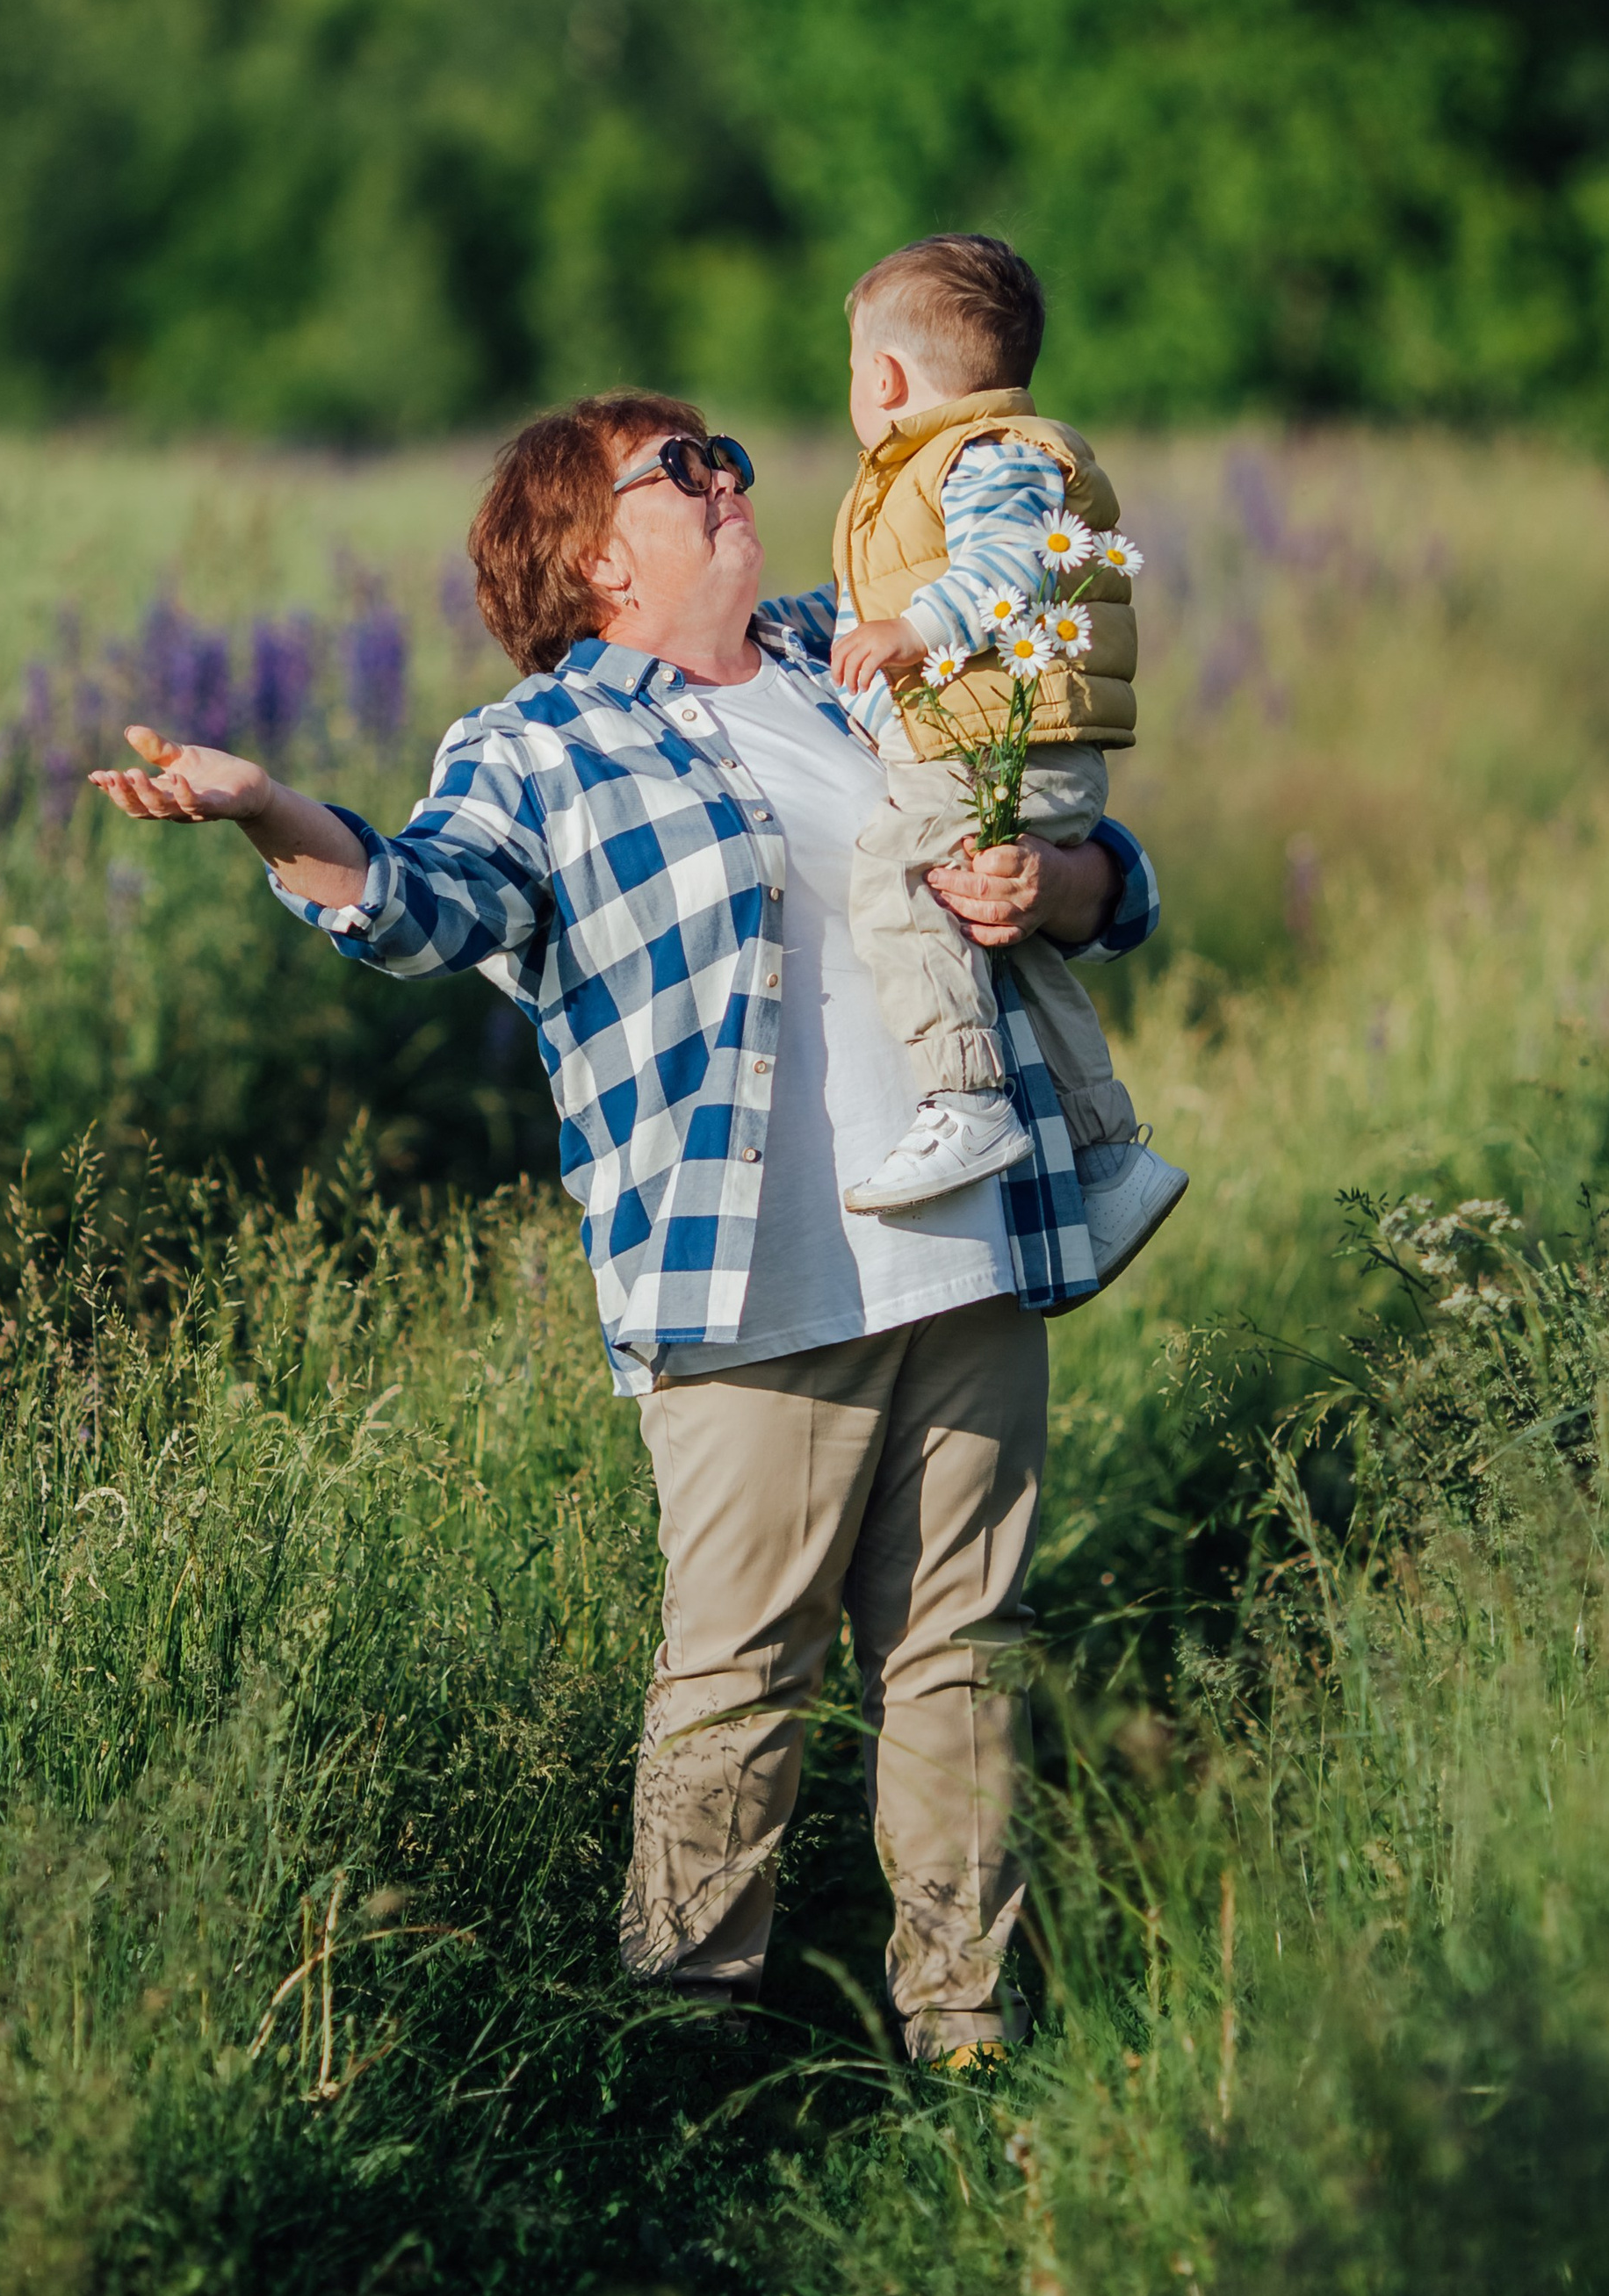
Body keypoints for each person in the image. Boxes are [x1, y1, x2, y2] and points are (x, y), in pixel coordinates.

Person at [89, 392, 1164, 2064]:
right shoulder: (534, 747)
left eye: (729, 455)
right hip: (753, 1283)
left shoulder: (851, 659)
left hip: (971, 1236)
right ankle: (674, 2054)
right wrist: (268, 809)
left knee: (967, 1663)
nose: (734, 483)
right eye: (688, 472)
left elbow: (1098, 865)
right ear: (595, 553)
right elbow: (416, 902)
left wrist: (1059, 885)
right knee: (738, 1681)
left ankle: (969, 2038)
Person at [822, 235, 1187, 1278]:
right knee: (1013, 942)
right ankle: (1108, 1155)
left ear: (884, 376)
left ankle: (964, 1096)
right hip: (999, 737)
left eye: (852, 366)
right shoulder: (975, 455)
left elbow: (1009, 564)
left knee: (898, 874)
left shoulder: (987, 455)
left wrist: (913, 630)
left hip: (996, 743)